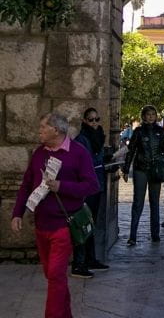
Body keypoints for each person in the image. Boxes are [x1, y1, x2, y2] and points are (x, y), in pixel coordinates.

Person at [11, 112, 99, 318]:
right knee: (52, 277)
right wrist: (17, 213)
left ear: (56, 130)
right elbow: (26, 185)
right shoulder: (39, 153)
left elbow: (92, 185)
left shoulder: (78, 153)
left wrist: (62, 186)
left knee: (56, 275)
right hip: (41, 224)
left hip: (64, 226)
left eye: (43, 127)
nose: (39, 130)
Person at [71, 108, 110, 278]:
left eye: (96, 119)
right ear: (85, 121)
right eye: (91, 120)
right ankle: (79, 263)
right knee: (83, 223)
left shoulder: (98, 137)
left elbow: (98, 159)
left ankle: (90, 258)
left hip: (97, 184)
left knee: (91, 222)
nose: (94, 123)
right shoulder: (82, 140)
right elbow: (82, 162)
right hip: (87, 187)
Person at [123, 105, 164, 245]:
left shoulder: (161, 132)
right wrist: (126, 169)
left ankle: (155, 234)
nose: (150, 117)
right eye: (148, 114)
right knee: (138, 202)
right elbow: (131, 151)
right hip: (141, 169)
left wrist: (162, 163)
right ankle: (132, 236)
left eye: (153, 114)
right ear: (143, 116)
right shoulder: (138, 131)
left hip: (155, 170)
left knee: (155, 202)